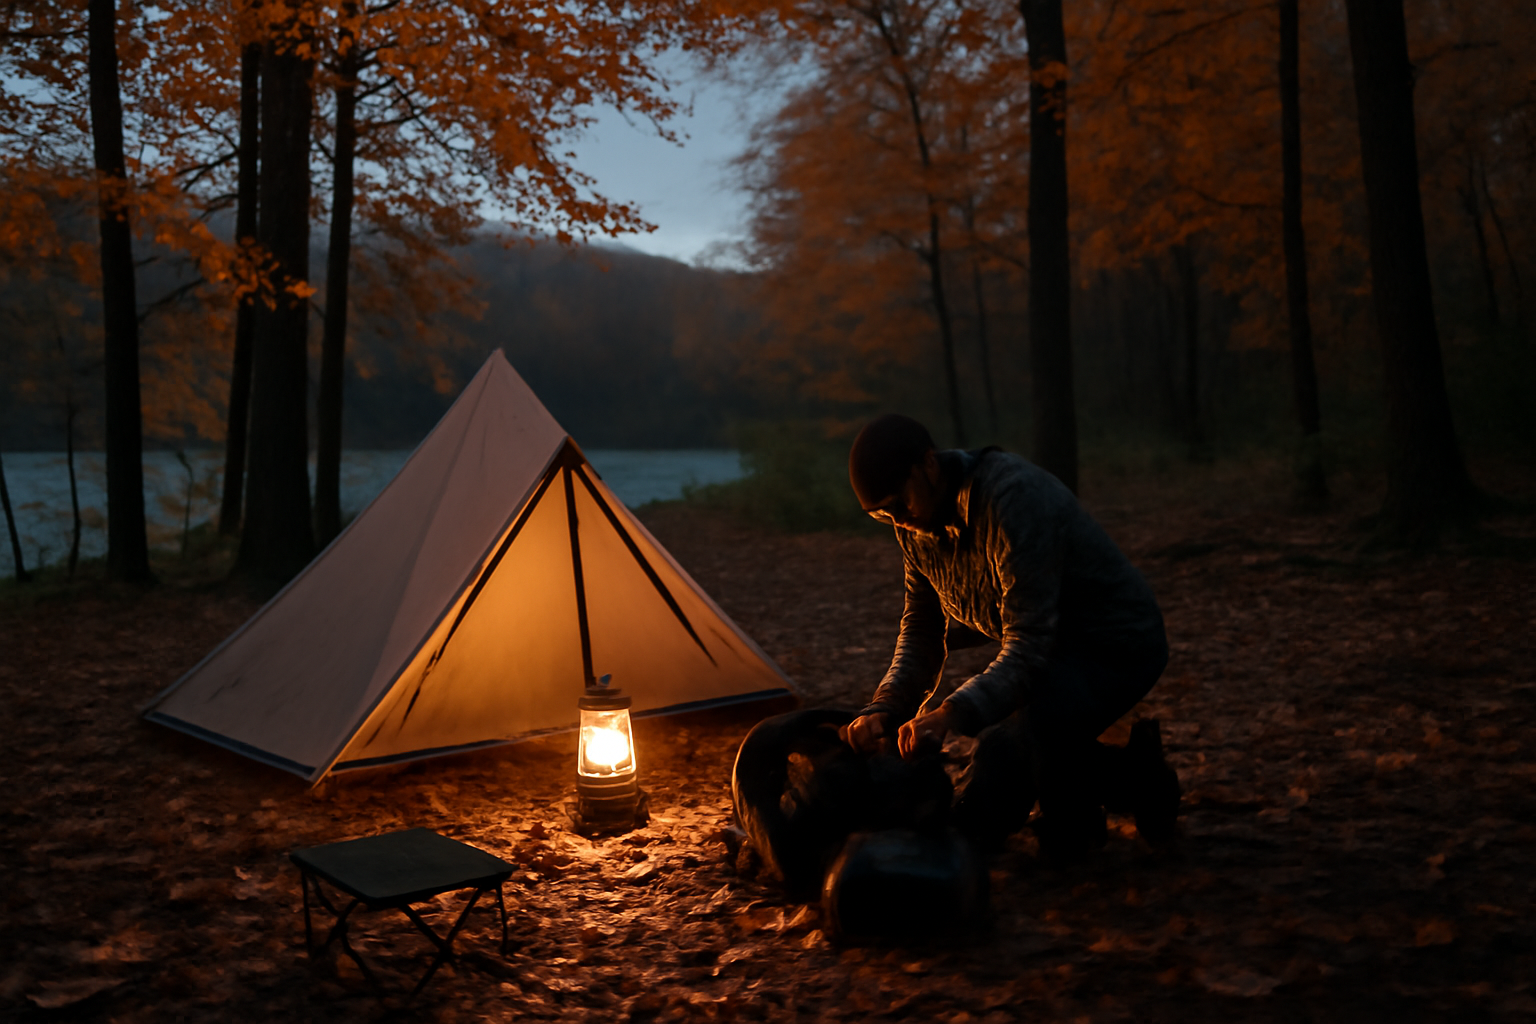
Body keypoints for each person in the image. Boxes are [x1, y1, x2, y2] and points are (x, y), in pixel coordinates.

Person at [841, 413, 1179, 862]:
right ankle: (1111, 788)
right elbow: (922, 631)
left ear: (928, 464)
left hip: (1116, 645)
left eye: (899, 503)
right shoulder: (915, 529)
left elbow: (1028, 646)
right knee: (1032, 741)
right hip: (1052, 652)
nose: (898, 521)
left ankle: (1127, 787)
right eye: (883, 515)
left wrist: (950, 713)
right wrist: (887, 708)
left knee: (1007, 748)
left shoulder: (1012, 498)